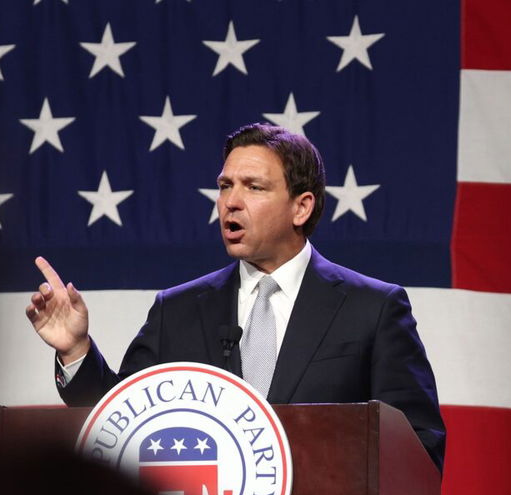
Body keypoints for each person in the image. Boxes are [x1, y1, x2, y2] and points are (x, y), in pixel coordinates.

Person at [27, 123, 445, 470]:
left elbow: (418, 452)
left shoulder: (371, 309)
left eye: (254, 187)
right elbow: (121, 425)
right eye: (225, 186)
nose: (231, 203)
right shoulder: (178, 310)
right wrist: (76, 350)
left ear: (301, 208)